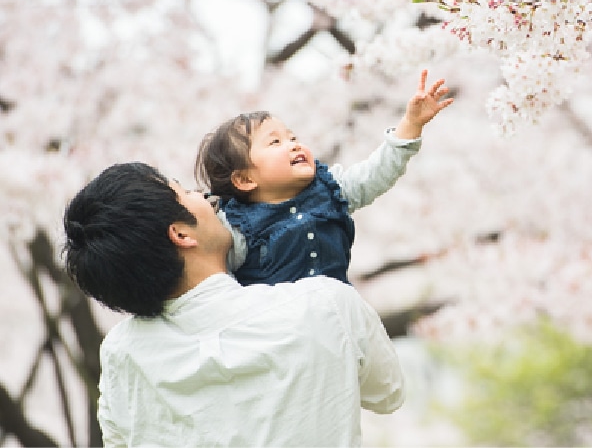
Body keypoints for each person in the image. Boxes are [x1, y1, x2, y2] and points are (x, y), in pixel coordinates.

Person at [62, 162, 405, 447]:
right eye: (187, 193)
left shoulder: (122, 353)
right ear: (181, 234)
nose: (207, 198)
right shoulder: (327, 304)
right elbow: (388, 394)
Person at [194, 69, 453, 286]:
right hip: (279, 323)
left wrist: (410, 124)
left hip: (336, 315)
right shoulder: (233, 229)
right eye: (275, 142)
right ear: (244, 180)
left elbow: (376, 172)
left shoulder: (331, 189)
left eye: (292, 137)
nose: (294, 145)